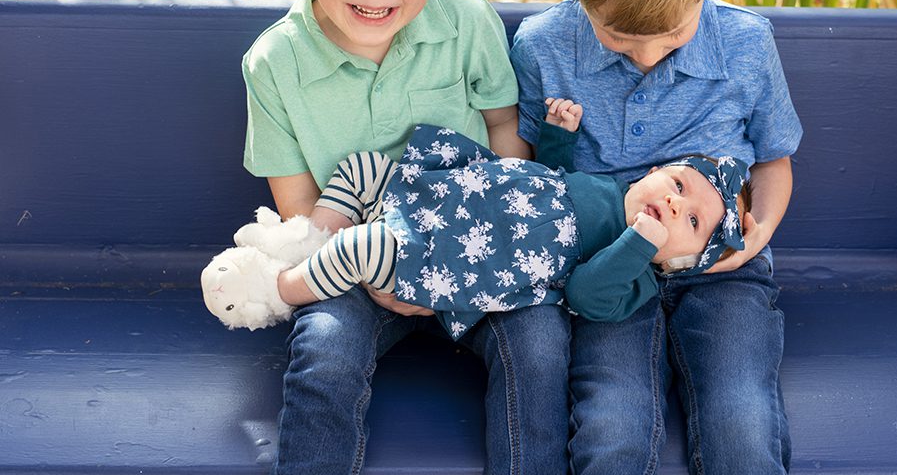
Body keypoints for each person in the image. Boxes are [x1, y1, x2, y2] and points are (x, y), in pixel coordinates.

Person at [242, 0, 568, 475]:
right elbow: (300, 214)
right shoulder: (275, 64)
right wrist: (386, 264)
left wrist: (456, 258)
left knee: (540, 339)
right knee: (324, 351)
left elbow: (507, 151)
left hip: (474, 240)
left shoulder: (469, 24)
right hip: (355, 259)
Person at [510, 0, 804, 475]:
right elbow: (529, 165)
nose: (645, 53)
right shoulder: (543, 46)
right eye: (618, 35)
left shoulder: (744, 44)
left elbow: (774, 161)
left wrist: (755, 236)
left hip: (723, 274)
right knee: (612, 427)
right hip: (608, 271)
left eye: (670, 33)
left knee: (743, 422)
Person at [208, 110, 750, 337]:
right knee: (364, 168)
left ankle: (279, 290)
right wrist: (560, 136)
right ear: (654, 173)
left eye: (694, 221)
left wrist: (637, 246)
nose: (676, 205)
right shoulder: (607, 186)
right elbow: (550, 175)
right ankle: (305, 244)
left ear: (678, 263)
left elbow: (587, 295)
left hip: (458, 255)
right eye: (678, 186)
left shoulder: (636, 281)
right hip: (443, 199)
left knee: (365, 248)